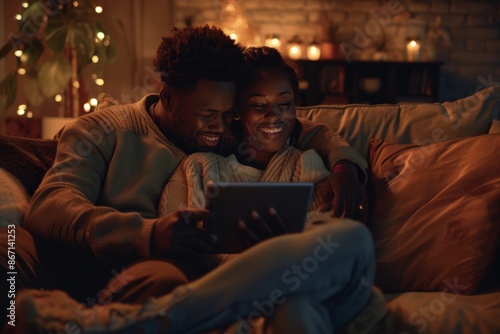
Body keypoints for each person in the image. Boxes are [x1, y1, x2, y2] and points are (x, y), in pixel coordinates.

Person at [1, 26, 368, 330]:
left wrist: (344, 166)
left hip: (156, 275)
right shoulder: (105, 130)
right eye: (207, 114)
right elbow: (50, 205)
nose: (220, 127)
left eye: (227, 114)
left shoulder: (223, 136)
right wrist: (147, 234)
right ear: (169, 97)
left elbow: (296, 127)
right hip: (93, 263)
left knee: (175, 284)